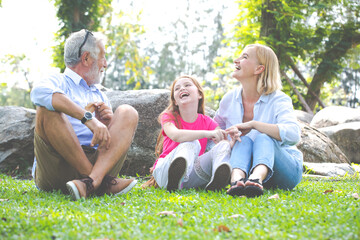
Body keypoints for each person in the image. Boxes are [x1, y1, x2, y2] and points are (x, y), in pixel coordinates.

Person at [30, 29, 139, 200]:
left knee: (128, 112)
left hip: (98, 164)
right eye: (103, 57)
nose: (105, 64)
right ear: (86, 58)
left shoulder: (100, 94)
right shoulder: (55, 81)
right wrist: (89, 120)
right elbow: (38, 93)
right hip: (58, 167)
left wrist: (107, 124)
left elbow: (107, 141)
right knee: (46, 108)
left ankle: (89, 182)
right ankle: (99, 184)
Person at [214, 43, 303, 198]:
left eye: (244, 57)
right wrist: (229, 142)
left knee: (263, 137)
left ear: (259, 69)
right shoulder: (229, 99)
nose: (236, 60)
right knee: (244, 140)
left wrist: (254, 125)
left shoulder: (279, 99)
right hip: (245, 167)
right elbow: (214, 134)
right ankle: (237, 180)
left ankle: (257, 178)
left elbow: (294, 135)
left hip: (286, 171)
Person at [142, 75, 238, 192]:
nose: (182, 89)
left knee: (223, 145)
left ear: (199, 94)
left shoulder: (207, 122)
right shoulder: (169, 116)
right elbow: (176, 135)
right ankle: (174, 179)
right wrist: (207, 134)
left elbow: (222, 145)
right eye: (177, 89)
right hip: (165, 172)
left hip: (191, 176)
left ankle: (217, 180)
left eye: (187, 85)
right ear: (175, 101)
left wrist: (231, 143)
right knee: (192, 142)